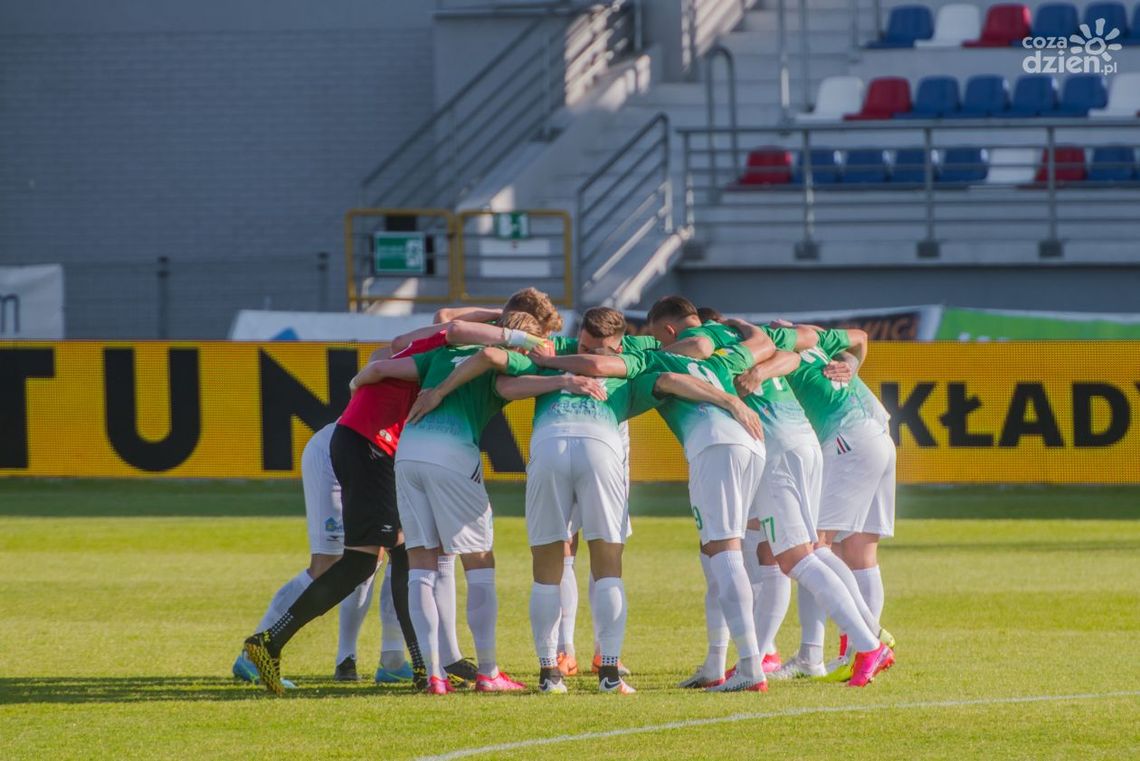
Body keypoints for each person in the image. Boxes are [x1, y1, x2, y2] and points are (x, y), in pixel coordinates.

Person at [240, 316, 546, 695]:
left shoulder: (429, 348)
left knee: (401, 551)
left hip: (357, 437)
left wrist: (359, 382)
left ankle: (421, 666)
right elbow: (454, 330)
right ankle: (269, 642)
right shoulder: (454, 353)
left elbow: (388, 357)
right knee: (365, 561)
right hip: (374, 444)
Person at [529, 319, 778, 692]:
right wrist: (734, 383)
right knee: (705, 552)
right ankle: (616, 673)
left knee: (552, 560)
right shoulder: (688, 357)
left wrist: (545, 364)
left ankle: (550, 673)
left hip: (709, 444)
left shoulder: (582, 354)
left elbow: (503, 370)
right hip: (748, 443)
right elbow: (762, 344)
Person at [353, 311, 546, 695]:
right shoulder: (509, 353)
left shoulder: (443, 353)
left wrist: (355, 382)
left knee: (422, 560)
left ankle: (435, 674)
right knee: (479, 558)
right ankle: (489, 672)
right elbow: (498, 369)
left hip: (408, 452)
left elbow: (377, 369)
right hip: (453, 454)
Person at [231, 422, 407, 687]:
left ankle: (386, 659)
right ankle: (253, 655)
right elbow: (360, 387)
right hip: (338, 454)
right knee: (330, 564)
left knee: (393, 549)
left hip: (379, 460)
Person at [780, 323, 897, 686]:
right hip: (879, 433)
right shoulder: (814, 342)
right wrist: (853, 364)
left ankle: (854, 644)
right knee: (860, 548)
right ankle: (854, 649)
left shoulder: (775, 352)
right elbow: (860, 337)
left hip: (849, 439)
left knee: (811, 547)